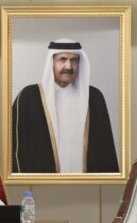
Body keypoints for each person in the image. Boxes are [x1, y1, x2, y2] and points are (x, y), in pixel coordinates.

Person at [12, 38, 119, 173]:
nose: (68, 66)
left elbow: (106, 148)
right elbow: (15, 147)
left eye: (74, 60)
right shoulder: (29, 97)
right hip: (42, 182)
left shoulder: (94, 97)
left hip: (86, 182)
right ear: (51, 62)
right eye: (62, 59)